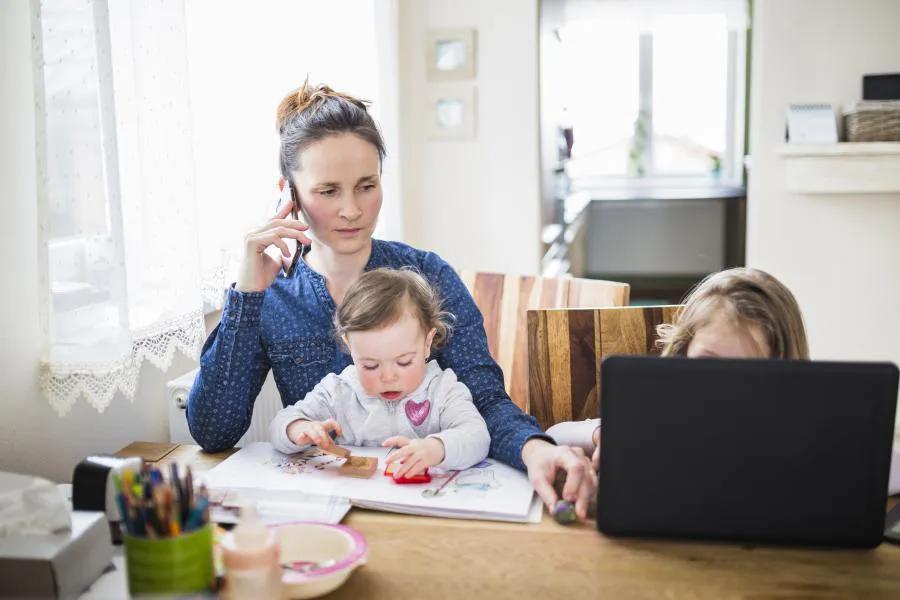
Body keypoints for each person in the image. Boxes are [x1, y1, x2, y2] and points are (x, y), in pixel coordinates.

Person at [187, 81, 595, 517]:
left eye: (366, 185)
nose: (352, 209)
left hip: (425, 502)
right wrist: (246, 298)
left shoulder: (427, 276)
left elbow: (484, 398)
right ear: (289, 194)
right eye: (328, 191)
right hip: (324, 511)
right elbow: (214, 431)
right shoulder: (272, 296)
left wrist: (535, 450)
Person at [546, 267, 810, 469]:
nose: (723, 387)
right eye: (708, 363)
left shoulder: (796, 435)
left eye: (748, 373)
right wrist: (601, 434)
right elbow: (554, 436)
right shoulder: (662, 414)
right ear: (683, 352)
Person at [269, 268, 490, 479]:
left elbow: (477, 436)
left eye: (404, 362)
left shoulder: (444, 390)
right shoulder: (338, 390)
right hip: (358, 503)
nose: (387, 377)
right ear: (350, 347)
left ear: (427, 343)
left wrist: (437, 448)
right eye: (370, 365)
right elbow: (281, 423)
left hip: (419, 506)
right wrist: (299, 429)